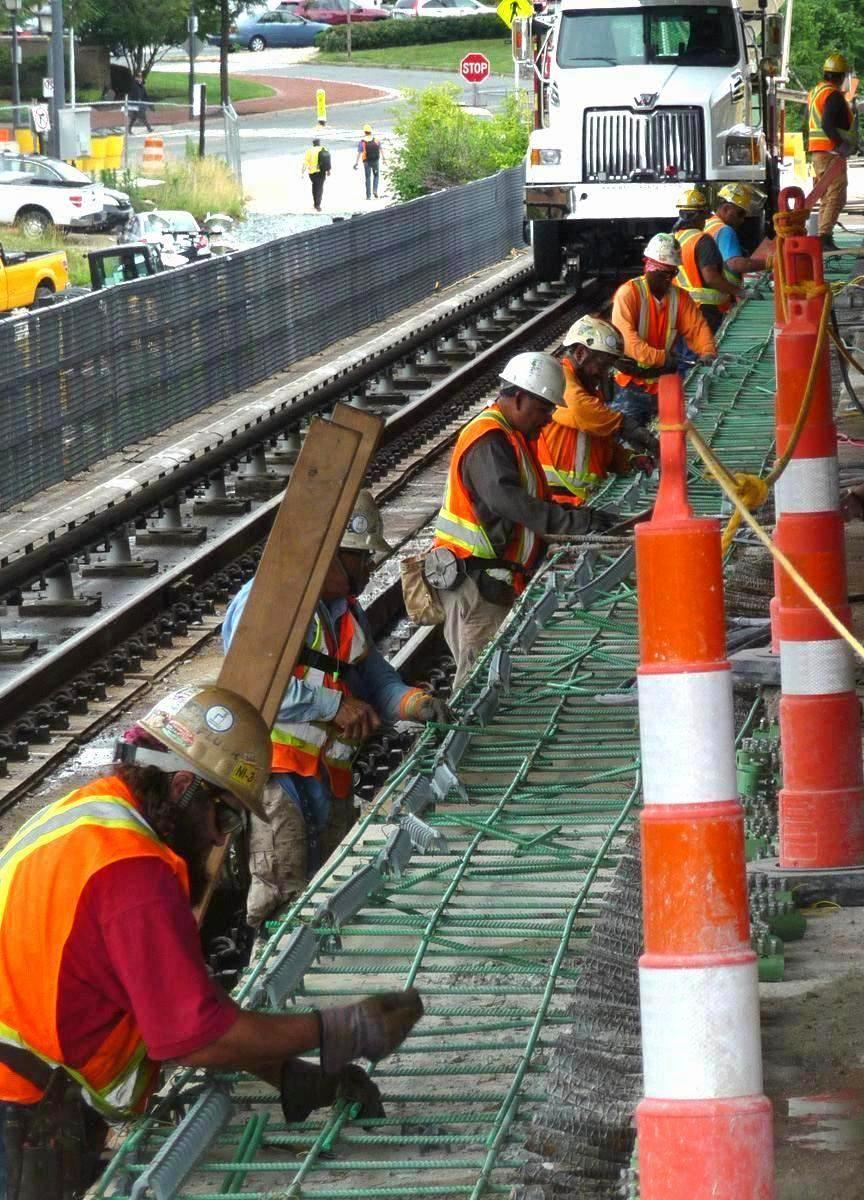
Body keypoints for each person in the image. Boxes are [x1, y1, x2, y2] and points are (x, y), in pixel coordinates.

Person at [0, 682, 422, 1198]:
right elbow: (195, 1036)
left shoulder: (94, 820)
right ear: (185, 788)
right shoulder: (132, 871)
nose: (222, 837)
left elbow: (176, 996)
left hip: (29, 1093)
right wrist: (344, 1030)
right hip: (19, 1111)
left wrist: (286, 1075)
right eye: (222, 815)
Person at [223, 491, 449, 928]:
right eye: (362, 559)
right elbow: (247, 690)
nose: (369, 571)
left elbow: (376, 679)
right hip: (279, 783)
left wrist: (413, 703)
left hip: (329, 780)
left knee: (330, 901)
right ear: (331, 554)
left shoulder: (344, 613)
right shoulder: (268, 603)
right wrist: (333, 705)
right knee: (282, 906)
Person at [429, 351, 617, 687]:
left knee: (493, 674)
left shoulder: (512, 436)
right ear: (518, 398)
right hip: (474, 583)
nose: (548, 419)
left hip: (493, 580)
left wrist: (579, 516)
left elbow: (533, 502)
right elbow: (510, 502)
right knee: (477, 682)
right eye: (544, 409)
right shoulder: (488, 438)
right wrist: (574, 525)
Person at [535, 316, 657, 507]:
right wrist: (626, 426)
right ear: (581, 353)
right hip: (557, 501)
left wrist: (629, 460)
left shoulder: (589, 391)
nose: (604, 373)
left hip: (580, 502)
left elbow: (597, 444)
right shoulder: (559, 378)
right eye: (602, 365)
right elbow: (582, 412)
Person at [610, 232, 717, 425]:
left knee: (666, 438)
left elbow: (697, 328)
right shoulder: (629, 294)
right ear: (650, 268)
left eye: (673, 272)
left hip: (664, 384)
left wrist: (707, 351)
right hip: (631, 385)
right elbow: (627, 341)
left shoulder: (679, 298)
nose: (669, 279)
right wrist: (662, 358)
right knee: (629, 440)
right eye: (665, 273)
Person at [672, 187, 740, 333]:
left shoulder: (675, 238)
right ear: (699, 216)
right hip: (705, 311)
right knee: (706, 351)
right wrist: (739, 291)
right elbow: (711, 278)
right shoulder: (702, 240)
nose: (706, 220)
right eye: (704, 216)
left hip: (681, 308)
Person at [808, 53, 858, 249]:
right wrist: (840, 145)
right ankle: (824, 237)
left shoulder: (816, 91)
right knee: (836, 194)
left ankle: (823, 236)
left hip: (818, 151)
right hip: (829, 152)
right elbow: (828, 124)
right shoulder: (833, 95)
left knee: (827, 195)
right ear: (841, 76)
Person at [703, 183, 772, 289]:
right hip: (722, 296)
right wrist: (771, 263)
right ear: (726, 209)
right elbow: (736, 264)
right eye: (740, 213)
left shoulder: (708, 224)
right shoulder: (725, 231)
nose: (742, 220)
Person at [354, 125, 382, 200]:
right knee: (376, 176)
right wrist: (384, 159)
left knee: (368, 177)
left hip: (366, 161)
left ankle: (368, 196)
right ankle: (375, 190)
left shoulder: (362, 142)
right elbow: (380, 149)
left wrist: (356, 163)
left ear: (364, 132)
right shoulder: (376, 140)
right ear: (371, 131)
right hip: (375, 161)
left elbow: (359, 152)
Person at [302, 138, 330, 213]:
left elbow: (305, 162)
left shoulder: (309, 150)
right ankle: (318, 205)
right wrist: (328, 170)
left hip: (312, 173)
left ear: (313, 144)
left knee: (314, 187)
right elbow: (327, 160)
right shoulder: (324, 149)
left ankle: (315, 203)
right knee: (320, 187)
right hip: (321, 171)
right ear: (319, 143)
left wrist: (302, 171)